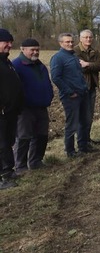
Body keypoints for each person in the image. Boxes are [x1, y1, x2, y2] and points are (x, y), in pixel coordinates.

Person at [12, 38, 53, 175]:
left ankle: (36, 161)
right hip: (25, 109)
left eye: (37, 50)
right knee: (24, 137)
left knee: (41, 135)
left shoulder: (39, 65)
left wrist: (49, 95)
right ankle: (20, 166)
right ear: (23, 50)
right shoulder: (17, 65)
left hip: (41, 106)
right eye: (32, 50)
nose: (35, 52)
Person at [50, 32, 92, 157]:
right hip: (71, 97)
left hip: (82, 93)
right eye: (67, 42)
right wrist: (70, 92)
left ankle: (83, 146)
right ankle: (70, 151)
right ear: (61, 43)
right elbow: (56, 78)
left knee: (84, 121)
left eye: (71, 42)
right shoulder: (58, 58)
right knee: (72, 124)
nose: (70, 44)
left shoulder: (73, 56)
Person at [0, 29, 24, 189]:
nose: (9, 45)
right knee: (1, 144)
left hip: (10, 111)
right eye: (5, 42)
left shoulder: (6, 62)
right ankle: (3, 177)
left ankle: (8, 171)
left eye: (10, 41)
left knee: (8, 141)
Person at [75, 29, 100, 145]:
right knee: (82, 116)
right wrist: (93, 66)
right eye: (86, 37)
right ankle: (81, 141)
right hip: (80, 87)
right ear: (80, 38)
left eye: (90, 37)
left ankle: (87, 138)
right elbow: (78, 67)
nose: (88, 39)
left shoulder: (95, 51)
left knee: (89, 115)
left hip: (92, 86)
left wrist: (88, 64)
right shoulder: (75, 51)